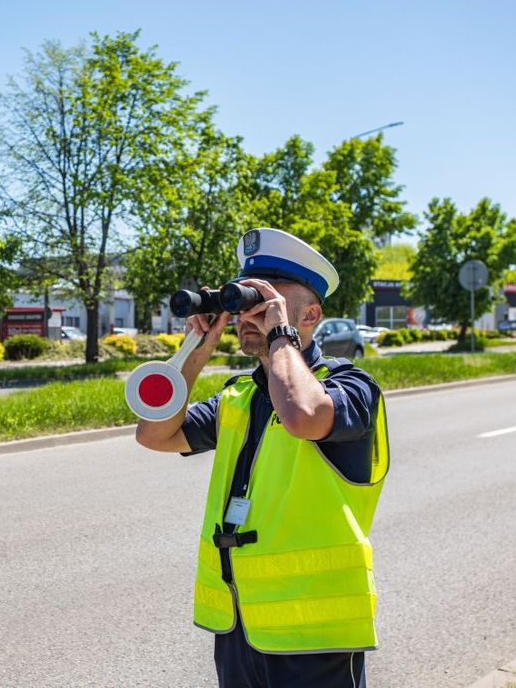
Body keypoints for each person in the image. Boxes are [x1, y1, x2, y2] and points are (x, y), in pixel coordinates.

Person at [136, 228, 390, 688]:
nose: (248, 316)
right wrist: (197, 347)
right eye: (244, 303)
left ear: (310, 314)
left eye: (265, 303)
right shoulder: (240, 394)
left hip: (315, 635)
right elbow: (155, 433)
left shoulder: (350, 387)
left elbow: (303, 414)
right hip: (239, 623)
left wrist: (280, 335)